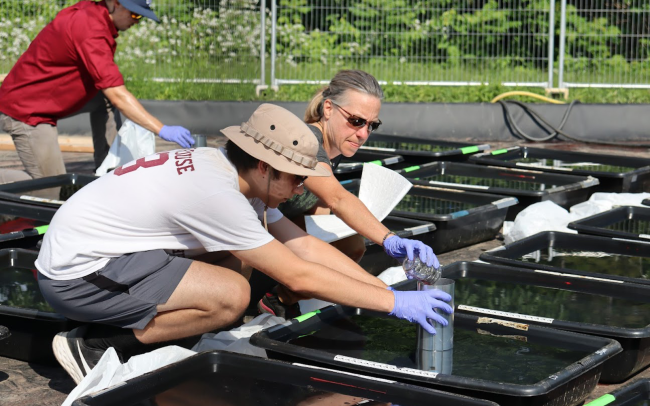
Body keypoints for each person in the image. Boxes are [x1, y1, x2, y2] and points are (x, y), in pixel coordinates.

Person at [35, 103, 452, 385]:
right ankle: (96, 345)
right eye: (294, 177)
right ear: (262, 165)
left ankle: (140, 323)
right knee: (231, 297)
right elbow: (297, 275)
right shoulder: (219, 196)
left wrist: (388, 282)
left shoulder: (230, 171)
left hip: (105, 253)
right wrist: (395, 306)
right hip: (77, 275)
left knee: (240, 264)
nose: (301, 188)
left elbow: (302, 246)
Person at [258, 69, 439, 319]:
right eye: (356, 121)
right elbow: (337, 198)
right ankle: (267, 293)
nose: (363, 134)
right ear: (329, 109)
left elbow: (323, 200)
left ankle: (279, 298)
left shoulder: (336, 144)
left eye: (371, 125)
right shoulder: (305, 140)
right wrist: (389, 240)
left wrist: (386, 294)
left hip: (278, 219)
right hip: (256, 222)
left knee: (351, 244)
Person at [0, 0, 194, 199]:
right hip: (27, 111)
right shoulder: (90, 28)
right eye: (135, 15)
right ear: (115, 4)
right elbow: (118, 95)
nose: (137, 21)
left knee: (104, 98)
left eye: (142, 16)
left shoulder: (95, 17)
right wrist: (161, 129)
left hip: (45, 99)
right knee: (50, 190)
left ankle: (108, 171)